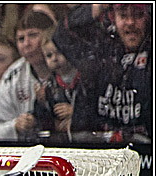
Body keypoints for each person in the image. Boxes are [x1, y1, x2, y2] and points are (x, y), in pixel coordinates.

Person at [56, 3, 151, 142]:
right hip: (98, 150)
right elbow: (61, 34)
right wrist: (97, 6)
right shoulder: (100, 48)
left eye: (138, 15)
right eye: (123, 16)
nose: (130, 23)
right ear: (113, 17)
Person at [0, 10, 55, 141]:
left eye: (33, 35)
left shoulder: (67, 65)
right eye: (21, 39)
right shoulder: (12, 77)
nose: (26, 44)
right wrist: (15, 126)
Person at [31, 34, 90, 142]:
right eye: (49, 55)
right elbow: (44, 120)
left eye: (59, 52)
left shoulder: (86, 79)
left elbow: (93, 109)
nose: (54, 59)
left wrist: (75, 113)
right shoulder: (49, 86)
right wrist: (42, 103)